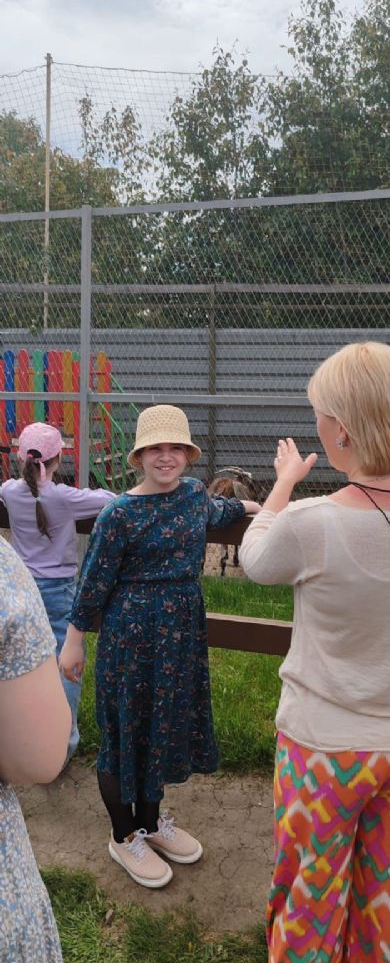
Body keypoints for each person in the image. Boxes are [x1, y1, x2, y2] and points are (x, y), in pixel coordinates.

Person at [239, 341, 390, 963]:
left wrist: (283, 484)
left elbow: (255, 558)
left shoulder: (312, 522)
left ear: (342, 433)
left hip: (325, 752)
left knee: (309, 906)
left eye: (320, 417)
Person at [59, 405, 260, 889]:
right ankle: (123, 834)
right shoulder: (118, 514)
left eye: (175, 448)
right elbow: (93, 582)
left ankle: (150, 823)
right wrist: (73, 642)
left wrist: (261, 509)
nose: (165, 457)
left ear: (188, 455)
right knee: (124, 732)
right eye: (155, 449)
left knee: (162, 726)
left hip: (180, 637)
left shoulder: (192, 495)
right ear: (139, 457)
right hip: (130, 638)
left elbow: (225, 511)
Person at [0, 422, 115, 762]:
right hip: (60, 590)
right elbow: (109, 500)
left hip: (24, 588)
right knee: (66, 665)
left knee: (28, 663)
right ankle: (61, 747)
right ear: (58, 459)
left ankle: (24, 741)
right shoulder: (64, 497)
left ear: (21, 457)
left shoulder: (9, 491)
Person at [0, 534, 71, 961]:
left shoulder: (13, 500)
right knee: (58, 672)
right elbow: (40, 760)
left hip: (44, 585)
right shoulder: (2, 572)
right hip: (56, 591)